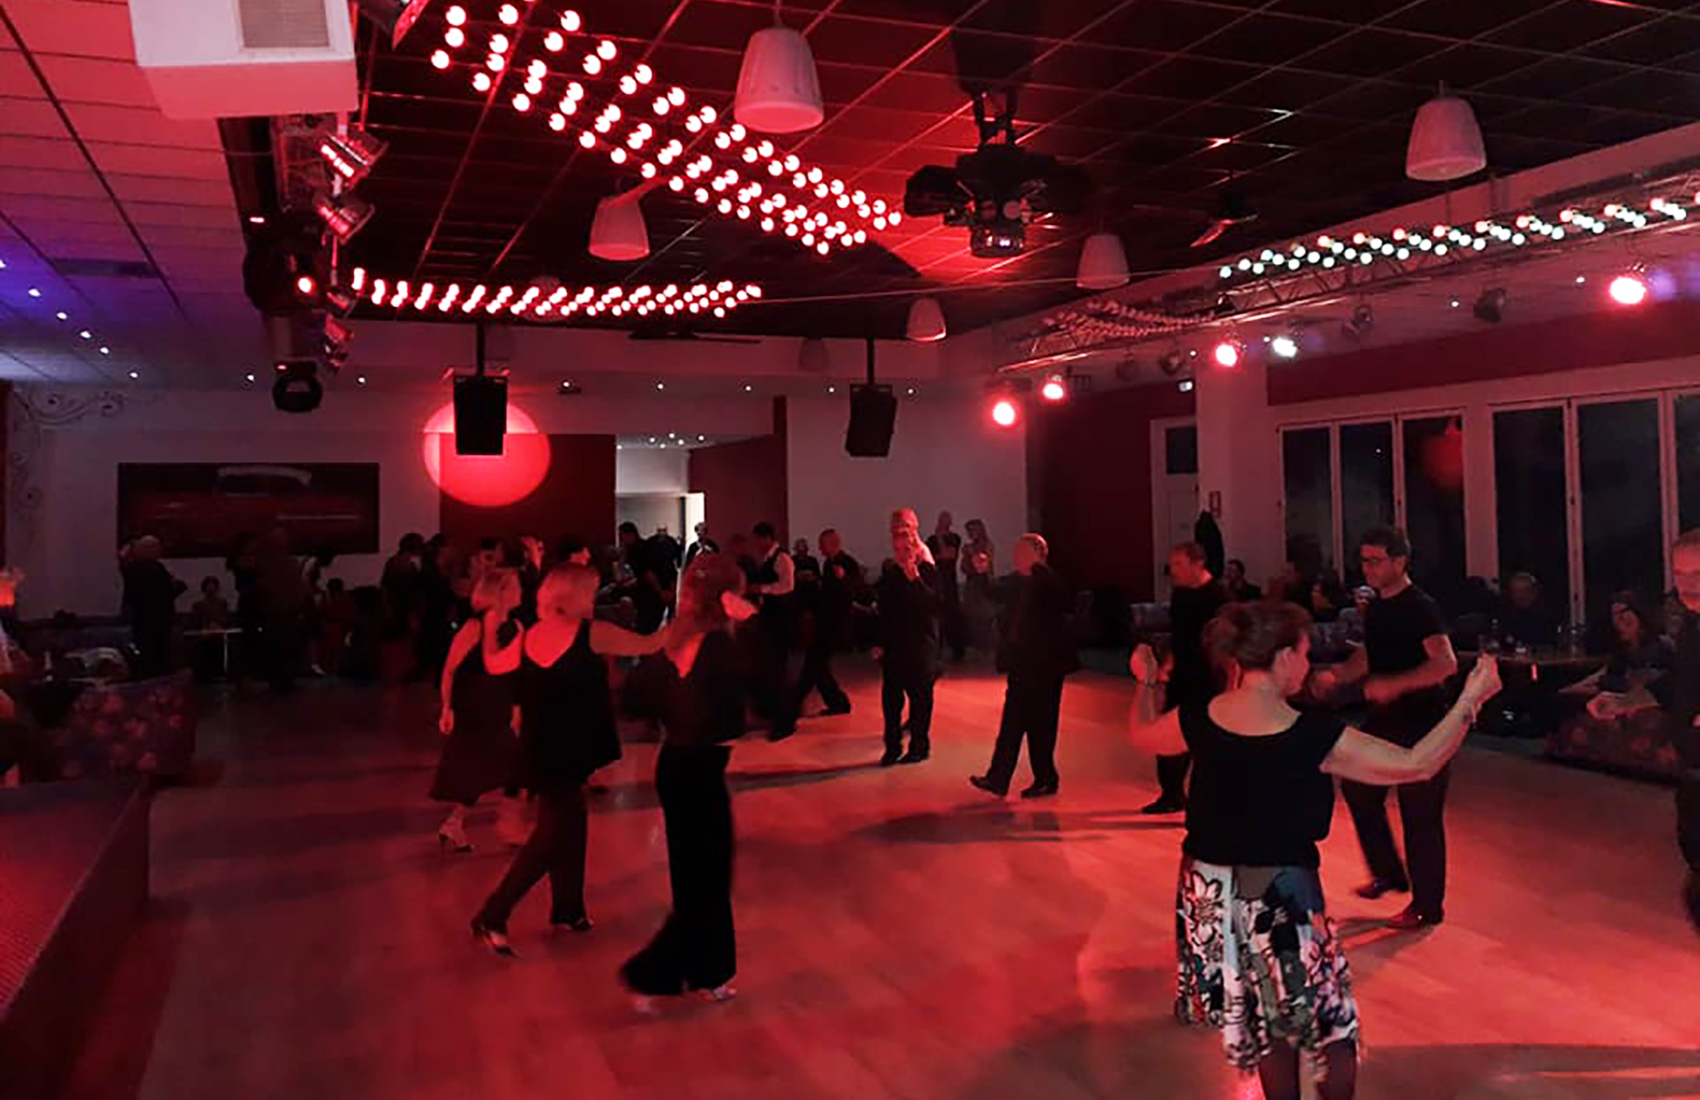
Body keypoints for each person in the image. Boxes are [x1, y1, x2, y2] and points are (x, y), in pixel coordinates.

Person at [1129, 601, 1501, 1100]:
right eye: (1305, 654)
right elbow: (1417, 763)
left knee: (1266, 1022)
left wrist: (1146, 681)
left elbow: (1142, 736)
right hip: (1278, 892)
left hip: (1205, 891)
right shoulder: (1311, 734)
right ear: (1283, 657)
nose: (1309, 666)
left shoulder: (1199, 716)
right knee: (1331, 1030)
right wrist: (1470, 699)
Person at [470, 564, 663, 956]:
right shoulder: (592, 633)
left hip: (546, 748)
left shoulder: (530, 637)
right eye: (590, 591)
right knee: (552, 836)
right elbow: (649, 644)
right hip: (561, 751)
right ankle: (492, 915)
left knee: (572, 826)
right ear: (571, 596)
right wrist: (697, 617)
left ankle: (568, 910)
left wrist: (489, 629)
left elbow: (493, 663)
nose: (594, 598)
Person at [620, 554, 758, 1006]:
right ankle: (662, 972)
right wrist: (751, 619)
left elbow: (636, 699)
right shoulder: (719, 647)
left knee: (696, 877)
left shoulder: (679, 639)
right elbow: (767, 683)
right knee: (709, 879)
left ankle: (698, 971)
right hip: (698, 771)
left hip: (677, 766)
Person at [1314, 526, 1459, 930]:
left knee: (1420, 814)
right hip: (1387, 720)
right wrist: (1339, 674)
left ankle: (1427, 907)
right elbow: (1372, 655)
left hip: (1425, 722)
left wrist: (1396, 684)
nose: (1368, 568)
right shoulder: (1377, 607)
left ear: (1400, 561)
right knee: (1358, 787)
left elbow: (1445, 664)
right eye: (1364, 561)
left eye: (1376, 561)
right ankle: (1389, 873)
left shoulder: (1421, 607)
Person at [971, 534, 1077, 799]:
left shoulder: (1048, 581)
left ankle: (1045, 778)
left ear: (1038, 554)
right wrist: (982, 572)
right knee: (1013, 722)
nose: (1016, 557)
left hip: (1046, 666)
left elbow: (1063, 600)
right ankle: (998, 778)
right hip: (1021, 663)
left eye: (1022, 552)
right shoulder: (1017, 581)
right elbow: (994, 591)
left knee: (1042, 724)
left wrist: (1038, 568)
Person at [431, 570, 523, 852]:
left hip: (499, 704)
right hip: (476, 706)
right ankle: (506, 826)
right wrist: (446, 707)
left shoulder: (516, 626)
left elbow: (515, 674)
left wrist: (517, 706)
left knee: (487, 768)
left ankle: (456, 823)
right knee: (505, 765)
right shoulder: (475, 626)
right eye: (515, 587)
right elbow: (450, 669)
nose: (520, 591)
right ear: (500, 593)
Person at [1141, 542, 1225, 815]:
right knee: (1169, 732)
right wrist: (1168, 665)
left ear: (1197, 564)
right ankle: (1171, 794)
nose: (1173, 570)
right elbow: (1179, 636)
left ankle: (1206, 801)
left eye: (1178, 564)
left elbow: (1225, 644)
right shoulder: (1181, 595)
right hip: (1183, 675)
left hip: (1210, 678)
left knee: (1205, 740)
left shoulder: (1219, 597)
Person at [874, 526, 940, 766]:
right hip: (895, 647)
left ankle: (919, 747)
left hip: (920, 646)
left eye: (906, 549)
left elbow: (935, 605)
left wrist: (915, 580)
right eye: (897, 550)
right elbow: (883, 611)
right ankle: (892, 748)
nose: (901, 554)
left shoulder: (928, 572)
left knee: (920, 700)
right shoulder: (891, 574)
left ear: (915, 549)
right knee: (891, 701)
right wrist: (878, 642)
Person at [744, 522, 798, 742]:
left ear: (767, 538)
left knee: (779, 671)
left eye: (758, 539)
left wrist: (761, 589)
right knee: (772, 669)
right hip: (770, 621)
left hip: (780, 622)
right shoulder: (768, 558)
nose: (755, 544)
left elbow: (788, 586)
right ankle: (774, 714)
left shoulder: (782, 558)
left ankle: (785, 721)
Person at [792, 528, 855, 718]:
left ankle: (791, 706)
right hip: (826, 623)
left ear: (832, 544)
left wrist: (843, 579)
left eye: (822, 545)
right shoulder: (828, 564)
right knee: (817, 667)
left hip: (834, 624)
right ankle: (838, 703)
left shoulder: (847, 564)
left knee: (813, 665)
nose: (819, 549)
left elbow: (853, 591)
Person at [120, 536, 186, 678]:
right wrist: (177, 586)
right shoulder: (152, 569)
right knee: (157, 657)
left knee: (150, 656)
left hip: (145, 619)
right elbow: (165, 590)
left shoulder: (134, 569)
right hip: (155, 619)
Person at [961, 519, 998, 655]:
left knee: (985, 617)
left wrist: (971, 554)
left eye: (973, 530)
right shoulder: (969, 547)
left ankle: (987, 649)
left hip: (984, 584)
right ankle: (978, 647)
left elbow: (983, 566)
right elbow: (964, 568)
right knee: (972, 617)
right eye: (969, 531)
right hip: (972, 586)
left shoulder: (987, 545)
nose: (971, 533)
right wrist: (966, 556)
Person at [1498, 571, 1558, 650]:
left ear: (1535, 592)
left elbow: (1551, 645)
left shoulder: (1546, 616)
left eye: (1525, 591)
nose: (1520, 595)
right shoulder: (1506, 615)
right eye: (1516, 591)